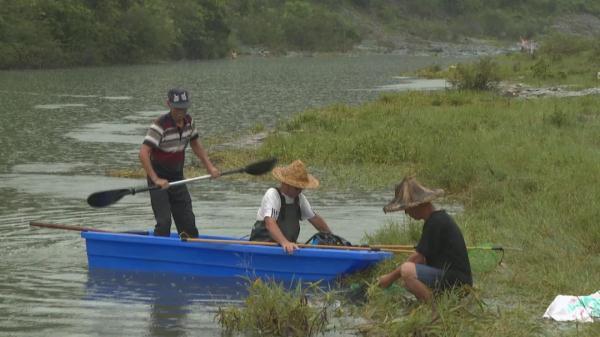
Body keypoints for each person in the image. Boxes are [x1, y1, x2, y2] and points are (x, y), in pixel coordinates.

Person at [139, 88, 220, 238]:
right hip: (158, 179)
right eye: (177, 108)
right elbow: (143, 153)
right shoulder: (160, 125)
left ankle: (189, 254)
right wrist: (156, 179)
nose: (181, 112)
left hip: (177, 177)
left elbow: (195, 144)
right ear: (168, 104)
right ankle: (159, 255)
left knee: (188, 225)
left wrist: (210, 167)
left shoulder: (189, 122)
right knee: (164, 223)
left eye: (184, 108)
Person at [378, 176, 472, 302]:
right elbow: (423, 259)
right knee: (408, 281)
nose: (406, 213)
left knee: (407, 270)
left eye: (407, 208)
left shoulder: (436, 222)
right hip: (453, 278)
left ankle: (434, 307)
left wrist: (389, 278)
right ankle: (436, 300)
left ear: (419, 205)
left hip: (458, 281)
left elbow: (417, 257)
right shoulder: (436, 219)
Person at [250, 160, 332, 254]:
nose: (300, 191)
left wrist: (331, 237)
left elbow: (314, 218)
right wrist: (284, 242)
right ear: (286, 184)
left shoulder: (299, 198)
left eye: (302, 188)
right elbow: (270, 224)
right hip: (263, 247)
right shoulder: (272, 194)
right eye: (297, 188)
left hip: (287, 247)